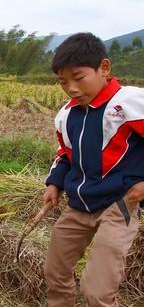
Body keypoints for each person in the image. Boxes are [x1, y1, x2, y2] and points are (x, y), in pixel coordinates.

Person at [43, 32, 144, 306]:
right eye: (63, 81)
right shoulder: (66, 114)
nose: (72, 88)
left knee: (96, 290)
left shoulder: (129, 103)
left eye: (79, 77)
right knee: (55, 272)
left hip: (118, 204)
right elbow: (65, 155)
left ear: (104, 68)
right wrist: (54, 183)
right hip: (78, 205)